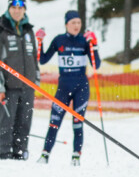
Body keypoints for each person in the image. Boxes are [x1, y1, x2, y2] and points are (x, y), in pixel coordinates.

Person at [35, 11, 100, 166]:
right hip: (63, 87)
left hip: (81, 88)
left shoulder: (85, 41)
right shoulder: (59, 40)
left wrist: (94, 45)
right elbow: (42, 60)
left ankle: (76, 157)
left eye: (79, 23)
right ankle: (45, 155)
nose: (77, 26)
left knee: (77, 123)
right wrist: (40, 41)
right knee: (54, 121)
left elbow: (96, 65)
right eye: (73, 23)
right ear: (66, 24)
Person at [0, 0, 40, 160]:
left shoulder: (29, 31)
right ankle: (5, 152)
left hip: (27, 86)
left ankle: (20, 151)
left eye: (20, 7)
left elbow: (34, 57)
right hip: (8, 87)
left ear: (25, 9)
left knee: (25, 121)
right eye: (14, 7)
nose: (17, 10)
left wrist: (35, 78)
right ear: (9, 8)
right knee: (6, 122)